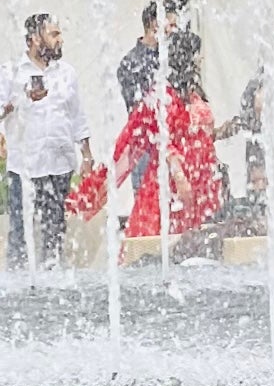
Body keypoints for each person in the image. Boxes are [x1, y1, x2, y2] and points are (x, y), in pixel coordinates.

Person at [111, 30, 221, 241]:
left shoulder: (192, 91)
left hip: (199, 173)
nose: (201, 58)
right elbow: (164, 139)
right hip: (175, 179)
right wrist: (179, 176)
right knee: (166, 237)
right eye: (197, 53)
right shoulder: (165, 94)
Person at [3, 13, 93, 268]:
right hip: (25, 168)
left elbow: (78, 116)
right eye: (54, 34)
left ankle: (52, 279)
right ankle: (18, 281)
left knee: (55, 233)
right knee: (21, 235)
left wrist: (87, 155)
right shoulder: (11, 72)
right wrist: (22, 97)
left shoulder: (67, 73)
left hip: (59, 165)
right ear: (35, 38)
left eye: (59, 34)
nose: (60, 40)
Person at [117, 0, 178, 114]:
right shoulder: (129, 64)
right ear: (154, 24)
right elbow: (136, 109)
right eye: (171, 25)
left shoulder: (173, 56)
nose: (174, 31)